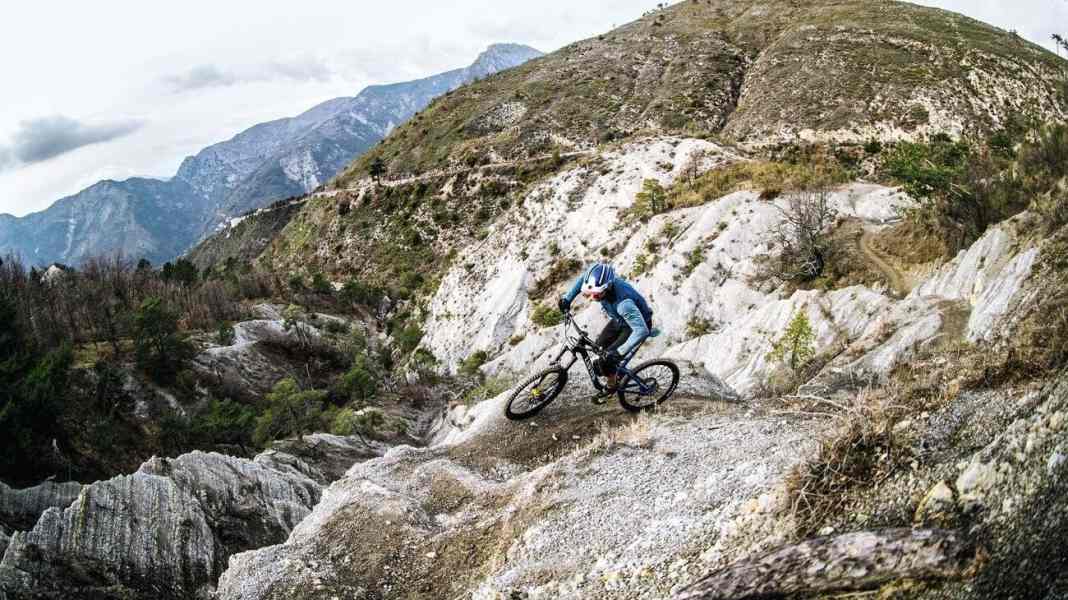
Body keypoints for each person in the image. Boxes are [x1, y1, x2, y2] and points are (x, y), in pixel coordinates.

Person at [558, 262, 654, 401]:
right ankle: (615, 373)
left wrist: (619, 352)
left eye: (596, 295)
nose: (593, 298)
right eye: (591, 294)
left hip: (634, 327)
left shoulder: (623, 304)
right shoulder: (602, 282)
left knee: (607, 360)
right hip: (619, 320)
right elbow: (583, 279)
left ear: (607, 287)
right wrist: (567, 299)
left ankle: (611, 386)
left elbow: (641, 330)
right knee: (599, 347)